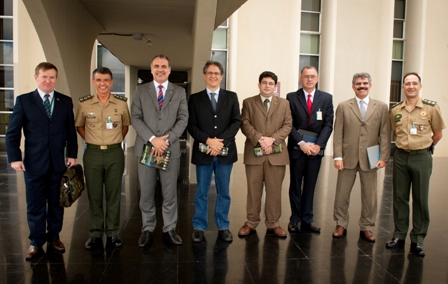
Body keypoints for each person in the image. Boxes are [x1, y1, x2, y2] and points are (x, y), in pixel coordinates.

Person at [5, 62, 78, 260]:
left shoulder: (65, 101)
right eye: (44, 76)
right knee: (35, 204)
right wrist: (14, 158)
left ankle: (54, 238)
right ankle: (36, 242)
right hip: (33, 164)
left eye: (52, 77)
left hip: (58, 163)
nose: (48, 80)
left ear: (56, 79)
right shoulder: (24, 101)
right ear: (36, 77)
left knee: (56, 203)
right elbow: (12, 133)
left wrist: (72, 154)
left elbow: (71, 131)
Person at [131, 54, 188, 246]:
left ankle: (169, 228)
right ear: (151, 68)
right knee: (146, 193)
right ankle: (147, 229)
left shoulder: (179, 92)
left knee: (170, 192)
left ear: (170, 69)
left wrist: (167, 139)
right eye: (156, 66)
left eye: (164, 66)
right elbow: (136, 118)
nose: (160, 69)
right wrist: (153, 139)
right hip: (147, 149)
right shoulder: (140, 91)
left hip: (169, 149)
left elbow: (183, 119)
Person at [386, 73, 445, 257]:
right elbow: (396, 132)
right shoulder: (396, 110)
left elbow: (437, 134)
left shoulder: (431, 108)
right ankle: (399, 235)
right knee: (400, 197)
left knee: (420, 199)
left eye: (414, 83)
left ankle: (418, 239)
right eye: (407, 84)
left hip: (421, 157)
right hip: (401, 157)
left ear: (420, 86)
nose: (410, 86)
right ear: (403, 87)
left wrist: (426, 148)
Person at [75, 67, 131, 250]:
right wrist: (93, 141)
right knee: (94, 195)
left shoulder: (121, 104)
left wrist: (114, 142)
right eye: (99, 80)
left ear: (112, 82)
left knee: (114, 194)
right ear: (93, 82)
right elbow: (80, 127)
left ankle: (113, 233)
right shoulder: (84, 104)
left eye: (106, 80)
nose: (102, 84)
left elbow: (125, 127)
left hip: (114, 153)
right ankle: (96, 233)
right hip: (92, 153)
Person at [332, 72, 390, 242]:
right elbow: (338, 134)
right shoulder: (343, 106)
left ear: (370, 85)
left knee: (370, 195)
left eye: (365, 83)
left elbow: (385, 134)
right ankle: (341, 223)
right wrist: (337, 156)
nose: (362, 86)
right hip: (347, 156)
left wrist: (384, 156)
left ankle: (367, 226)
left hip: (372, 156)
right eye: (358, 84)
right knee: (342, 193)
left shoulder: (381, 107)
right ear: (353, 86)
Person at [188, 61, 241, 243]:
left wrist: (220, 143)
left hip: (225, 153)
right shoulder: (195, 99)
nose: (213, 76)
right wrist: (208, 141)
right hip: (203, 151)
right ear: (204, 75)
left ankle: (223, 226)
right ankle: (199, 227)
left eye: (216, 73)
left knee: (224, 191)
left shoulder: (231, 97)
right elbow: (191, 125)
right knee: (201, 191)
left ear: (221, 75)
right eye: (209, 73)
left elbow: (236, 122)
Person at [238, 71, 292, 238]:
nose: (267, 85)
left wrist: (272, 140)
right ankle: (251, 222)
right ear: (259, 84)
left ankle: (274, 223)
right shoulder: (248, 102)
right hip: (254, 153)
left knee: (274, 190)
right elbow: (244, 124)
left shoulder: (284, 104)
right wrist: (260, 139)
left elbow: (288, 125)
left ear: (275, 86)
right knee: (253, 191)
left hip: (276, 155)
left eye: (271, 83)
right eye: (264, 82)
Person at [286, 66, 334, 234]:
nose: (309, 79)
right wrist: (301, 143)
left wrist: (318, 145)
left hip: (315, 150)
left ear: (317, 78)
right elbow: (288, 124)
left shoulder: (326, 98)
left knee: (311, 185)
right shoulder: (291, 97)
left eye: (312, 76)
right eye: (306, 76)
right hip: (297, 148)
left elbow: (328, 124)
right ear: (301, 79)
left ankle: (307, 219)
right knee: (295, 185)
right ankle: (294, 219)